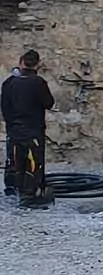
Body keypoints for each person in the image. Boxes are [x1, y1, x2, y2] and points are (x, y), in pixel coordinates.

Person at [2, 50, 56, 209]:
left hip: (15, 130)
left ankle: (16, 189)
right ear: (38, 64)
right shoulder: (38, 82)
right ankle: (30, 196)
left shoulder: (9, 83)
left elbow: (4, 107)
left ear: (21, 62)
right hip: (33, 130)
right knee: (33, 162)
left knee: (17, 161)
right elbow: (49, 103)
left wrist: (11, 124)